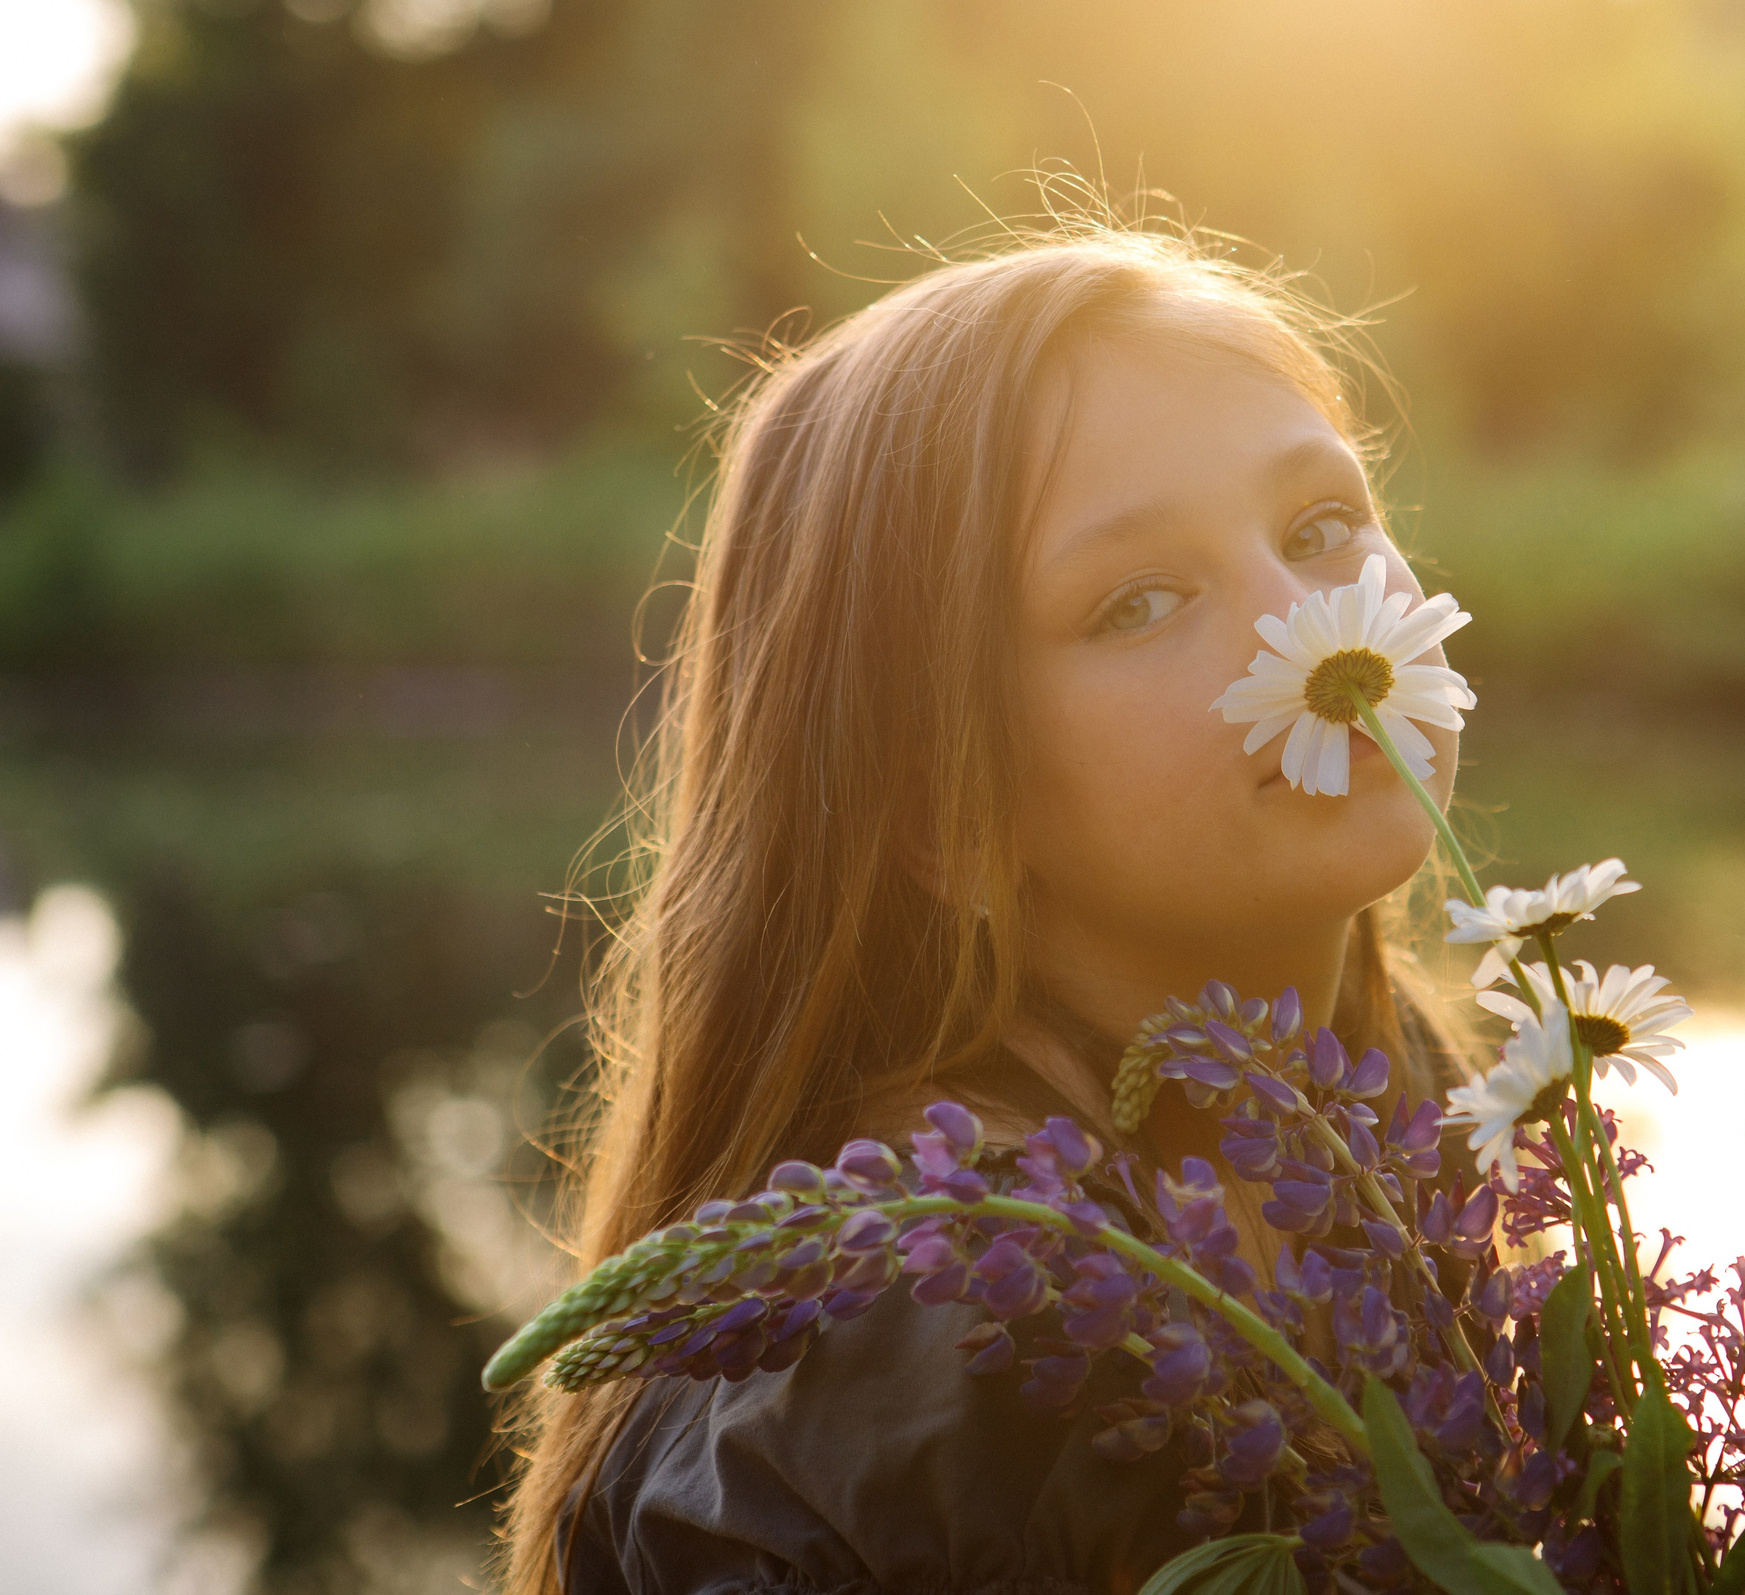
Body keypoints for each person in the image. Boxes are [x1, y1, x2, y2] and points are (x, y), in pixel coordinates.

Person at [492, 218, 1480, 1595]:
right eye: (1138, 601)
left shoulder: (1404, 1103)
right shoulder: (933, 1340)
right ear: (941, 812)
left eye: (1320, 527)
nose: (1311, 623)